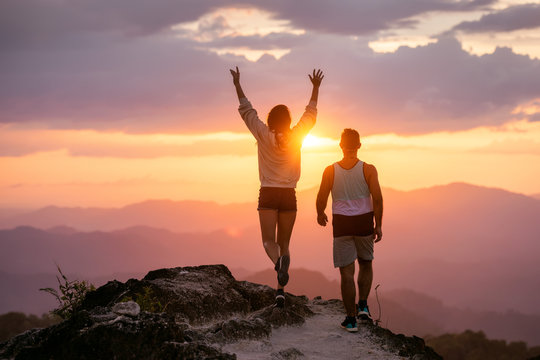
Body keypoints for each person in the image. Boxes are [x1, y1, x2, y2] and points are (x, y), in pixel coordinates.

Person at [230, 66, 324, 308]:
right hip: (289, 196)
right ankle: (280, 292)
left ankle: (277, 265)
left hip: (269, 193)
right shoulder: (297, 136)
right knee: (285, 244)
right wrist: (315, 88)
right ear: (289, 121)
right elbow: (310, 115)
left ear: (271, 120)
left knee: (268, 242)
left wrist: (237, 83)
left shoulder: (262, 134)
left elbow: (246, 111)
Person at [316, 128, 383, 332]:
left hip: (342, 223)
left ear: (340, 145)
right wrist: (378, 224)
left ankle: (351, 319)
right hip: (364, 222)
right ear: (359, 145)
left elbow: (321, 196)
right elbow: (378, 199)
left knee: (346, 272)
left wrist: (320, 213)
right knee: (365, 263)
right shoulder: (369, 169)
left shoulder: (330, 170)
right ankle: (363, 305)